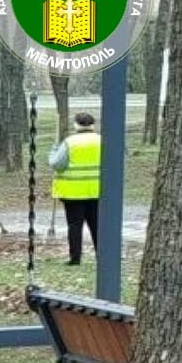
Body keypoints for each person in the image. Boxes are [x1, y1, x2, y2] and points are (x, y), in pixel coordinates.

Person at [50, 111, 101, 265]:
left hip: (73, 193)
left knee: (74, 226)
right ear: (93, 124)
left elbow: (57, 164)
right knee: (97, 225)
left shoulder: (70, 142)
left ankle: (75, 258)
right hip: (96, 191)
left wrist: (53, 151)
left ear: (76, 125)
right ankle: (102, 255)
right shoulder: (102, 141)